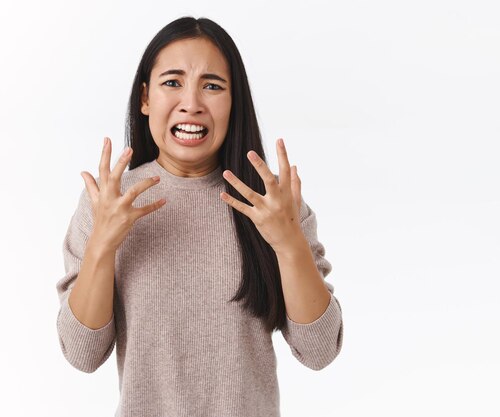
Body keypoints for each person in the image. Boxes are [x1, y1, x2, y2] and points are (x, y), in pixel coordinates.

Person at [55, 16, 343, 416]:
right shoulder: (108, 203)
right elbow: (82, 354)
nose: (191, 103)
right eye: (172, 82)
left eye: (212, 86)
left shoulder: (273, 204)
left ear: (234, 101)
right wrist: (102, 245)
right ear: (145, 98)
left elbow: (319, 351)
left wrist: (289, 244)